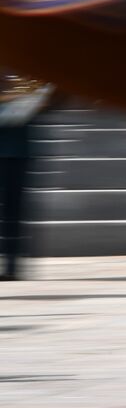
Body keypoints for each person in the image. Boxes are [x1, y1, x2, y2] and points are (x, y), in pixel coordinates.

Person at [0, 75, 54, 280]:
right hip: (15, 147)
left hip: (16, 149)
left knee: (14, 210)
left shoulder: (28, 73)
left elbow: (40, 98)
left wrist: (16, 95)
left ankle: (12, 265)